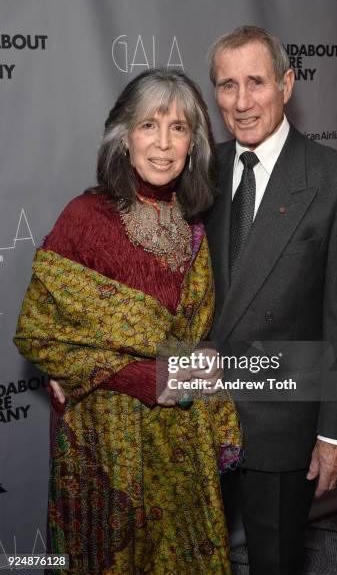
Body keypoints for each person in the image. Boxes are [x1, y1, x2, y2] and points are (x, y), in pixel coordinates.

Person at [14, 68, 241, 574]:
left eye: (179, 128)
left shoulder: (195, 223)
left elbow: (197, 342)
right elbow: (39, 332)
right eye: (148, 126)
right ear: (124, 137)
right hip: (105, 445)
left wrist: (188, 371)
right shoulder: (84, 217)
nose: (163, 144)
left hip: (182, 443)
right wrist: (144, 376)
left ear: (193, 144)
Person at [205, 26, 337, 574]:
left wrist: (335, 434)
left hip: (280, 421)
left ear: (287, 84)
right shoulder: (197, 170)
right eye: (227, 85)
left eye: (256, 82)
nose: (242, 101)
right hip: (195, 407)